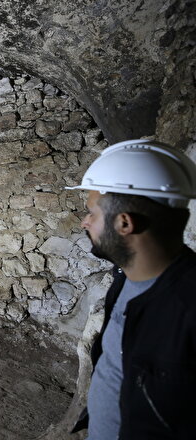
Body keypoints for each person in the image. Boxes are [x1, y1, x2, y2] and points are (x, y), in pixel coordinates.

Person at [66, 139, 196, 438]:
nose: (85, 222)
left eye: (93, 213)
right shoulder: (125, 277)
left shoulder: (188, 311)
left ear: (124, 223)